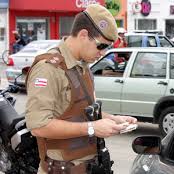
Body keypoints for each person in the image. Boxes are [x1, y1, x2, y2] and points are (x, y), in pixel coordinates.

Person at [25, 4, 137, 174]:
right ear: (83, 35)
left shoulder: (83, 66)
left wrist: (113, 120)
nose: (103, 53)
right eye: (101, 46)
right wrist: (92, 128)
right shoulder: (48, 69)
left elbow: (82, 113)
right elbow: (38, 125)